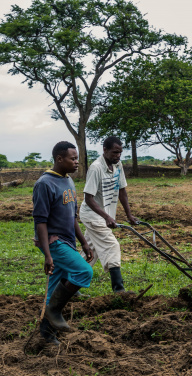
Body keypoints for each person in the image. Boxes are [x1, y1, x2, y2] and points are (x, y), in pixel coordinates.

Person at [33, 141, 94, 345]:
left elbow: (72, 217)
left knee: (55, 286)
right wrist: (48, 255)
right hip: (54, 241)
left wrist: (84, 242)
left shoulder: (67, 180)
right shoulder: (44, 184)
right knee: (84, 272)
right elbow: (40, 220)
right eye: (73, 158)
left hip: (67, 241)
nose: (77, 162)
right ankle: (54, 311)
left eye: (77, 158)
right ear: (60, 159)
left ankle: (47, 336)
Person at [79, 136, 138, 294]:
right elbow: (88, 198)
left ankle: (68, 283)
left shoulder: (118, 165)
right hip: (92, 214)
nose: (118, 156)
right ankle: (119, 289)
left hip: (104, 215)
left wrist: (129, 215)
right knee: (112, 245)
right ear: (104, 150)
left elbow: (122, 191)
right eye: (114, 152)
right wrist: (106, 217)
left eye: (120, 152)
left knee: (91, 250)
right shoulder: (96, 168)